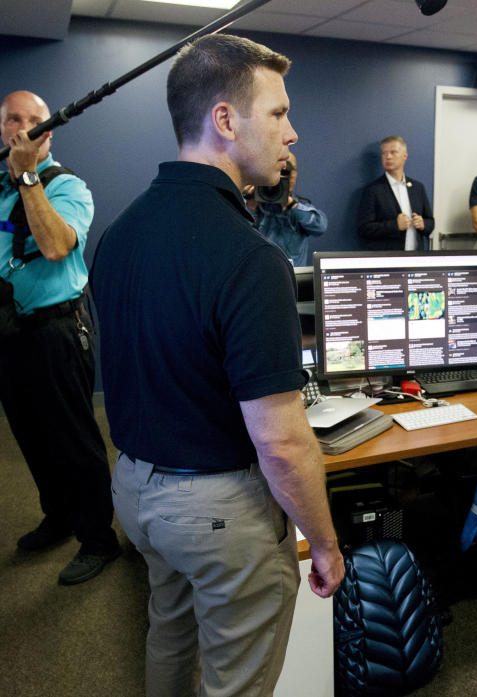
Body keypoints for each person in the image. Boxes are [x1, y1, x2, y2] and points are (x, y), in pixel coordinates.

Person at [91, 34, 344, 695]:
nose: (291, 134)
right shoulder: (250, 257)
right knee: (237, 681)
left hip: (136, 492)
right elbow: (284, 445)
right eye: (278, 114)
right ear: (226, 122)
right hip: (216, 511)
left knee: (169, 635)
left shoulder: (119, 232)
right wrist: (324, 543)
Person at [0, 90, 120, 585]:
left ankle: (98, 537)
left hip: (58, 331)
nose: (23, 127)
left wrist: (27, 176)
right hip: (11, 331)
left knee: (73, 439)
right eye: (13, 119)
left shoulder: (68, 187)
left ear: (47, 131)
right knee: (30, 435)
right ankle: (60, 515)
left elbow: (53, 246)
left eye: (34, 121)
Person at [246, 152, 327, 266]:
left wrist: (291, 204)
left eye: (287, 171)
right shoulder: (255, 203)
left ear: (294, 175)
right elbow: (237, 233)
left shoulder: (299, 207)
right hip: (259, 273)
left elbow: (320, 226)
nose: (282, 176)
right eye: (278, 169)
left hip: (291, 277)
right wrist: (250, 203)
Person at [358, 136, 434, 250]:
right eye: (384, 153)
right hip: (387, 261)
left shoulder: (418, 188)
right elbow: (364, 229)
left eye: (393, 152)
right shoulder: (372, 190)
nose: (388, 157)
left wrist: (423, 224)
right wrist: (394, 225)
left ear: (405, 155)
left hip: (416, 259)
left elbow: (430, 222)